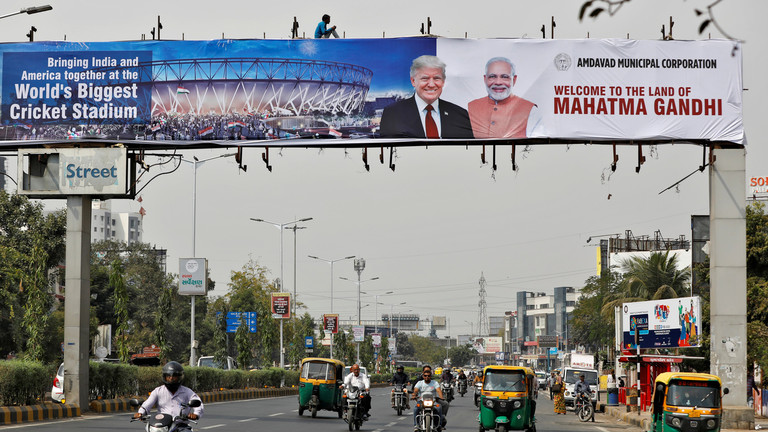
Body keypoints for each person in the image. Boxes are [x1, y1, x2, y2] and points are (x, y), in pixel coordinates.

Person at [379, 55, 474, 139]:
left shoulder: (460, 115)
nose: (431, 84)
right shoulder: (393, 114)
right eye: (425, 78)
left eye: (436, 78)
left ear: (443, 82)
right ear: (413, 81)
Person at [467, 57, 542, 138]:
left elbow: (538, 144)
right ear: (485, 79)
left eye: (504, 77)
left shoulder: (530, 110)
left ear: (514, 80)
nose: (498, 82)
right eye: (492, 76)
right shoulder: (470, 107)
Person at [133, 361, 203, 426]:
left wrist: (196, 414)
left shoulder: (187, 392)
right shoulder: (158, 391)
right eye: (168, 376)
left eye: (174, 376)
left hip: (181, 426)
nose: (171, 378)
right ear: (164, 377)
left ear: (179, 377)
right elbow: (147, 404)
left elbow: (198, 403)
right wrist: (141, 413)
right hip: (162, 425)